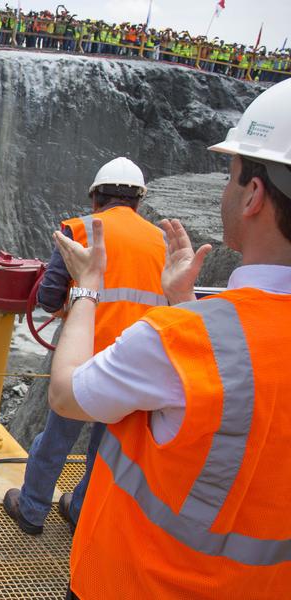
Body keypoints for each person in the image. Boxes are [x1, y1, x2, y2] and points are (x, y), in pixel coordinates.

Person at [50, 79, 291, 598]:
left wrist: (87, 289)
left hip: (136, 583)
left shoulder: (181, 340)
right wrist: (185, 301)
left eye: (230, 176)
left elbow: (65, 395)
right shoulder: (196, 330)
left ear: (253, 195)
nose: (225, 190)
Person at [3, 157, 166, 537]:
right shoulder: (161, 240)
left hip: (87, 356)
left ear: (95, 199)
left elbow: (47, 297)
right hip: (137, 361)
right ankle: (80, 510)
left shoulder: (78, 230)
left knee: (56, 437)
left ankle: (32, 509)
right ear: (139, 203)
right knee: (105, 448)